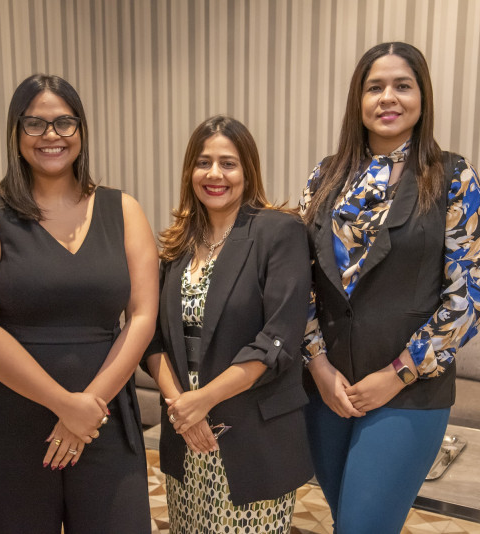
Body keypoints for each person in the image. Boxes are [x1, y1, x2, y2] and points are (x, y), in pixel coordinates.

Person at [0, 74, 158, 533]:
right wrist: (63, 403)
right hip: (2, 419)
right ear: (16, 132)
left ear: (81, 129)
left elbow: (142, 316)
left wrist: (88, 405)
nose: (51, 136)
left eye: (64, 122)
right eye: (35, 125)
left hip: (100, 419)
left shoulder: (123, 210)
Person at [299, 42, 480, 533]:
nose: (388, 97)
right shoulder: (326, 176)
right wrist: (318, 366)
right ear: (357, 101)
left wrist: (398, 373)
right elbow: (298, 283)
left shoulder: (452, 176)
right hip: (328, 391)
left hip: (408, 392)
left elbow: (466, 297)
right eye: (375, 87)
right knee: (351, 522)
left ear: (422, 98)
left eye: (402, 86)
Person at [143, 115, 313, 533]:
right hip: (186, 435)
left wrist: (203, 402)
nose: (214, 174)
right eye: (203, 162)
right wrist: (183, 408)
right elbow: (151, 339)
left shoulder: (279, 232)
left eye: (228, 163)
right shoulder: (175, 246)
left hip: (252, 437)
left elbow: (278, 339)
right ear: (190, 172)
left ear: (247, 170)